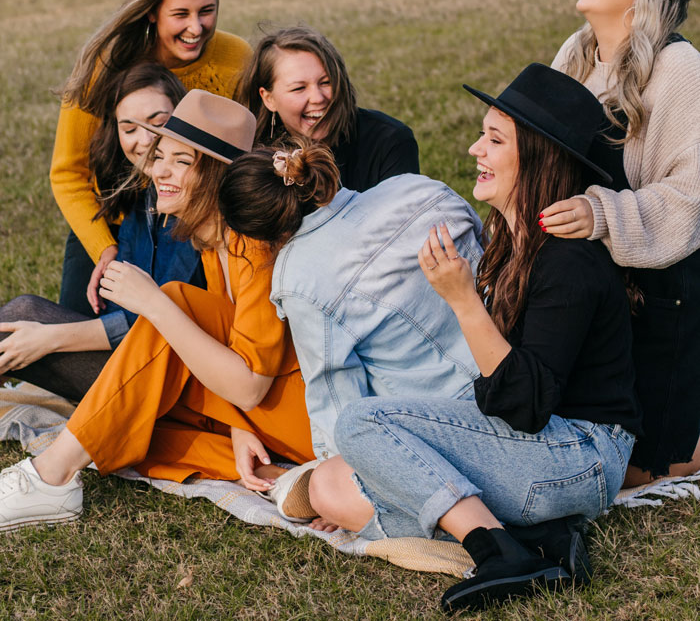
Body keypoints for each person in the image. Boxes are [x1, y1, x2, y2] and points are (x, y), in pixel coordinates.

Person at [301, 65, 642, 612]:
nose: (472, 149)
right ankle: (539, 540)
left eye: (494, 139)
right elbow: (493, 397)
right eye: (482, 134)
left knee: (362, 423)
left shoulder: (567, 261)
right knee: (331, 482)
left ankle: (496, 550)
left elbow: (524, 406)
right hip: (539, 450)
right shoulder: (510, 244)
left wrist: (462, 300)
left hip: (581, 456)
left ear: (537, 156)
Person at [0, 91, 313, 532]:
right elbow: (230, 354)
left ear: (218, 176)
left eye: (182, 162)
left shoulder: (255, 246)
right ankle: (279, 479)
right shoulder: (211, 241)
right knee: (127, 424)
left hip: (306, 415)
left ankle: (51, 476)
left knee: (174, 302)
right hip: (261, 417)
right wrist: (239, 428)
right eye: (160, 156)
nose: (160, 170)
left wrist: (153, 303)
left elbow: (249, 387)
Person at [541, 0, 700, 485]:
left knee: (640, 468)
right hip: (581, 280)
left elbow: (689, 199)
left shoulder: (680, 69)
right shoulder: (577, 53)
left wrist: (599, 214)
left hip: (658, 295)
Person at [218, 141, 483, 461]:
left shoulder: (299, 278)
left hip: (448, 427)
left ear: (259, 235)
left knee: (320, 489)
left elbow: (338, 403)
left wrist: (333, 474)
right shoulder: (416, 186)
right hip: (516, 365)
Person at [52, 0, 252, 317]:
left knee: (175, 323)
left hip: (195, 222)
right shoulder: (106, 66)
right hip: (113, 221)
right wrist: (103, 248)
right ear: (150, 12)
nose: (196, 27)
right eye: (180, 14)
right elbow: (68, 174)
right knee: (74, 330)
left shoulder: (236, 57)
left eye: (206, 11)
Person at [0, 63, 205, 401]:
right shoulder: (144, 197)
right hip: (135, 359)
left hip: (177, 383)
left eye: (159, 123)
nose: (146, 140)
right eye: (130, 128)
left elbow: (157, 321)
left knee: (25, 323)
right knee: (23, 316)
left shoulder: (194, 207)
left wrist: (51, 339)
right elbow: (119, 305)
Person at [236, 25, 419, 191]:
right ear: (269, 99)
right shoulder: (251, 157)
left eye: (326, 82)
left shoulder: (389, 141)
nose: (318, 98)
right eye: (299, 88)